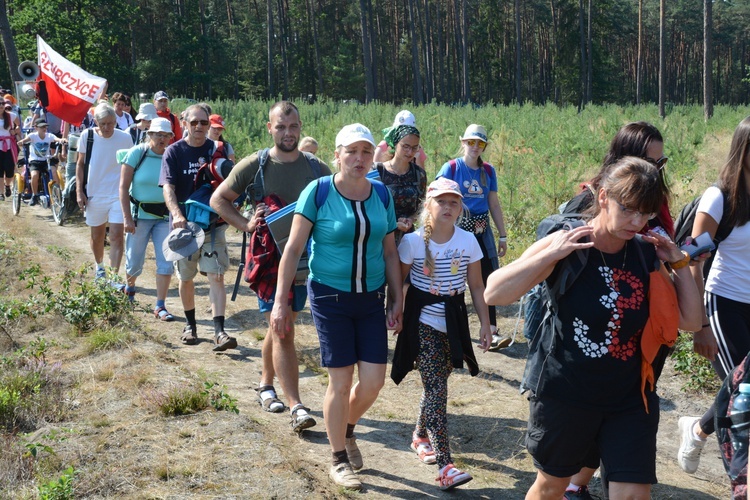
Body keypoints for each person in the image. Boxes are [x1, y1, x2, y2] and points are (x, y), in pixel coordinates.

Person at [484, 157, 702, 500]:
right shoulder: (569, 240)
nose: (637, 222)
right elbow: (494, 291)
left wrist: (679, 262)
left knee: (632, 494)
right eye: (629, 209)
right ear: (603, 197)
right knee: (552, 486)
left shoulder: (646, 254)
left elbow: (689, 321)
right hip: (567, 393)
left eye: (646, 213)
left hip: (630, 398)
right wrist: (549, 255)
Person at [270, 123, 402, 491]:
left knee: (373, 382)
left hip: (372, 297)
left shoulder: (382, 195)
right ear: (338, 154)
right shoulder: (320, 190)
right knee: (341, 381)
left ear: (374, 154)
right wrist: (281, 302)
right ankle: (338, 459)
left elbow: (390, 252)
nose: (359, 159)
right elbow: (293, 249)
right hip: (330, 297)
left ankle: (345, 428)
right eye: (351, 152)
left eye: (366, 151)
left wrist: (397, 299)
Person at [559, 121, 677, 499]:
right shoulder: (587, 205)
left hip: (639, 347)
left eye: (661, 164)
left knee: (624, 450)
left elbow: (678, 296)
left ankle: (586, 480)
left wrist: (680, 265)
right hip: (581, 367)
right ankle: (576, 482)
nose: (656, 173)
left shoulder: (651, 206)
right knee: (552, 480)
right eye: (650, 162)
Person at [211, 101, 330, 425]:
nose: (288, 133)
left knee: (280, 327)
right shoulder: (255, 165)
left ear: (300, 126)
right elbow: (218, 199)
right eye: (281, 127)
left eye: (293, 127)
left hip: (305, 263)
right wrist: (246, 223)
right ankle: (296, 405)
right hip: (269, 264)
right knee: (284, 331)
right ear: (270, 128)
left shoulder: (317, 168)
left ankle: (265, 385)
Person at [392, 178, 491, 491]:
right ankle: (447, 465)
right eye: (441, 201)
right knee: (437, 389)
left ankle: (420, 435)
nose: (448, 207)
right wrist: (394, 312)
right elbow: (399, 282)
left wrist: (486, 324)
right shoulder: (412, 241)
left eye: (454, 202)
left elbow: (476, 286)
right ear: (428, 206)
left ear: (460, 208)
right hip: (422, 322)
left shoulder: (467, 242)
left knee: (438, 382)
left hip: (454, 321)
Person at [677, 116, 750, 476]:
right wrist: (700, 324)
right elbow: (693, 258)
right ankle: (741, 478)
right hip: (724, 302)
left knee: (743, 388)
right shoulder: (719, 197)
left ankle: (698, 428)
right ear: (744, 149)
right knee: (744, 391)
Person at [160, 103, 237, 352]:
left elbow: (232, 182)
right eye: (194, 122)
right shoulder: (173, 152)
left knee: (216, 274)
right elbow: (168, 188)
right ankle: (190, 325)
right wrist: (176, 214)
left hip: (214, 224)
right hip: (184, 226)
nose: (199, 127)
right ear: (184, 123)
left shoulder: (218, 150)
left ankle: (219, 331)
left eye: (204, 123)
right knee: (186, 276)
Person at [436, 124, 508, 351]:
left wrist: (503, 235)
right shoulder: (450, 168)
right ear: (463, 142)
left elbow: (493, 203)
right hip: (456, 228)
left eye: (480, 143)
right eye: (471, 142)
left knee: (488, 278)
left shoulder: (487, 171)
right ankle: (446, 328)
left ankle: (492, 330)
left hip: (481, 230)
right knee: (452, 276)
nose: (475, 147)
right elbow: (435, 197)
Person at [119, 117, 175, 315]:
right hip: (138, 216)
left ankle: (160, 305)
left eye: (166, 135)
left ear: (171, 137)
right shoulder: (137, 153)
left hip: (164, 217)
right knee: (134, 260)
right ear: (149, 134)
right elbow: (123, 187)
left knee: (166, 262)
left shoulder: (172, 155)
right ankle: (130, 290)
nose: (162, 138)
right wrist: (126, 217)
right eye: (157, 134)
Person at [76, 103, 134, 278]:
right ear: (96, 122)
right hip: (94, 193)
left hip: (118, 194)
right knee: (97, 235)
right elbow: (80, 164)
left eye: (111, 123)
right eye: (103, 124)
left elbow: (131, 166)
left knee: (117, 235)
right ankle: (100, 266)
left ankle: (114, 276)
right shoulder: (88, 136)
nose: (107, 127)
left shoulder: (125, 138)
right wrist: (79, 191)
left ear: (116, 121)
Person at [373, 121, 426, 246]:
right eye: (405, 146)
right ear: (395, 144)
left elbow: (422, 206)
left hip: (408, 240)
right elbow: (369, 207)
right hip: (380, 239)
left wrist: (410, 220)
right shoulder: (377, 171)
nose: (409, 152)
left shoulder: (419, 174)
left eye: (414, 148)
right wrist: (393, 224)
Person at [17, 119, 63, 206]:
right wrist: (22, 141)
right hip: (35, 161)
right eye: (41, 127)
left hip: (46, 160)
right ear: (36, 127)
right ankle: (34, 195)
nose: (44, 128)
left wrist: (62, 140)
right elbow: (26, 139)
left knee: (54, 172)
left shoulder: (49, 136)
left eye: (45, 126)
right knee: (34, 175)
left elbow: (57, 139)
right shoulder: (33, 136)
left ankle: (57, 193)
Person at [0, 101, 21, 200]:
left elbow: (19, 125)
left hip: (8, 145)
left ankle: (7, 185)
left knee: (9, 170)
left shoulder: (11, 116)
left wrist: (15, 131)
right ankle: (1, 193)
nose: (1, 106)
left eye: (2, 104)